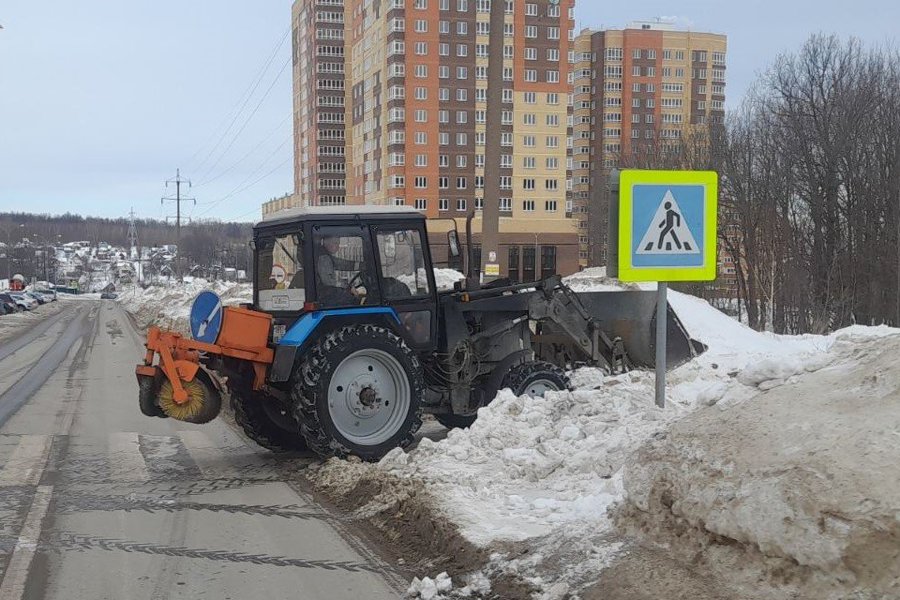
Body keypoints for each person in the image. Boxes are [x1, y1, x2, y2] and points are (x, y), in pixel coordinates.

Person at [316, 235, 362, 304]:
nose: (338, 246)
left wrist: (362, 265)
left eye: (338, 243)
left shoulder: (326, 255)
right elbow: (328, 281)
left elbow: (341, 264)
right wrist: (348, 286)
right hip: (324, 295)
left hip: (325, 293)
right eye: (335, 243)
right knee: (352, 300)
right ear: (327, 243)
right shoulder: (324, 258)